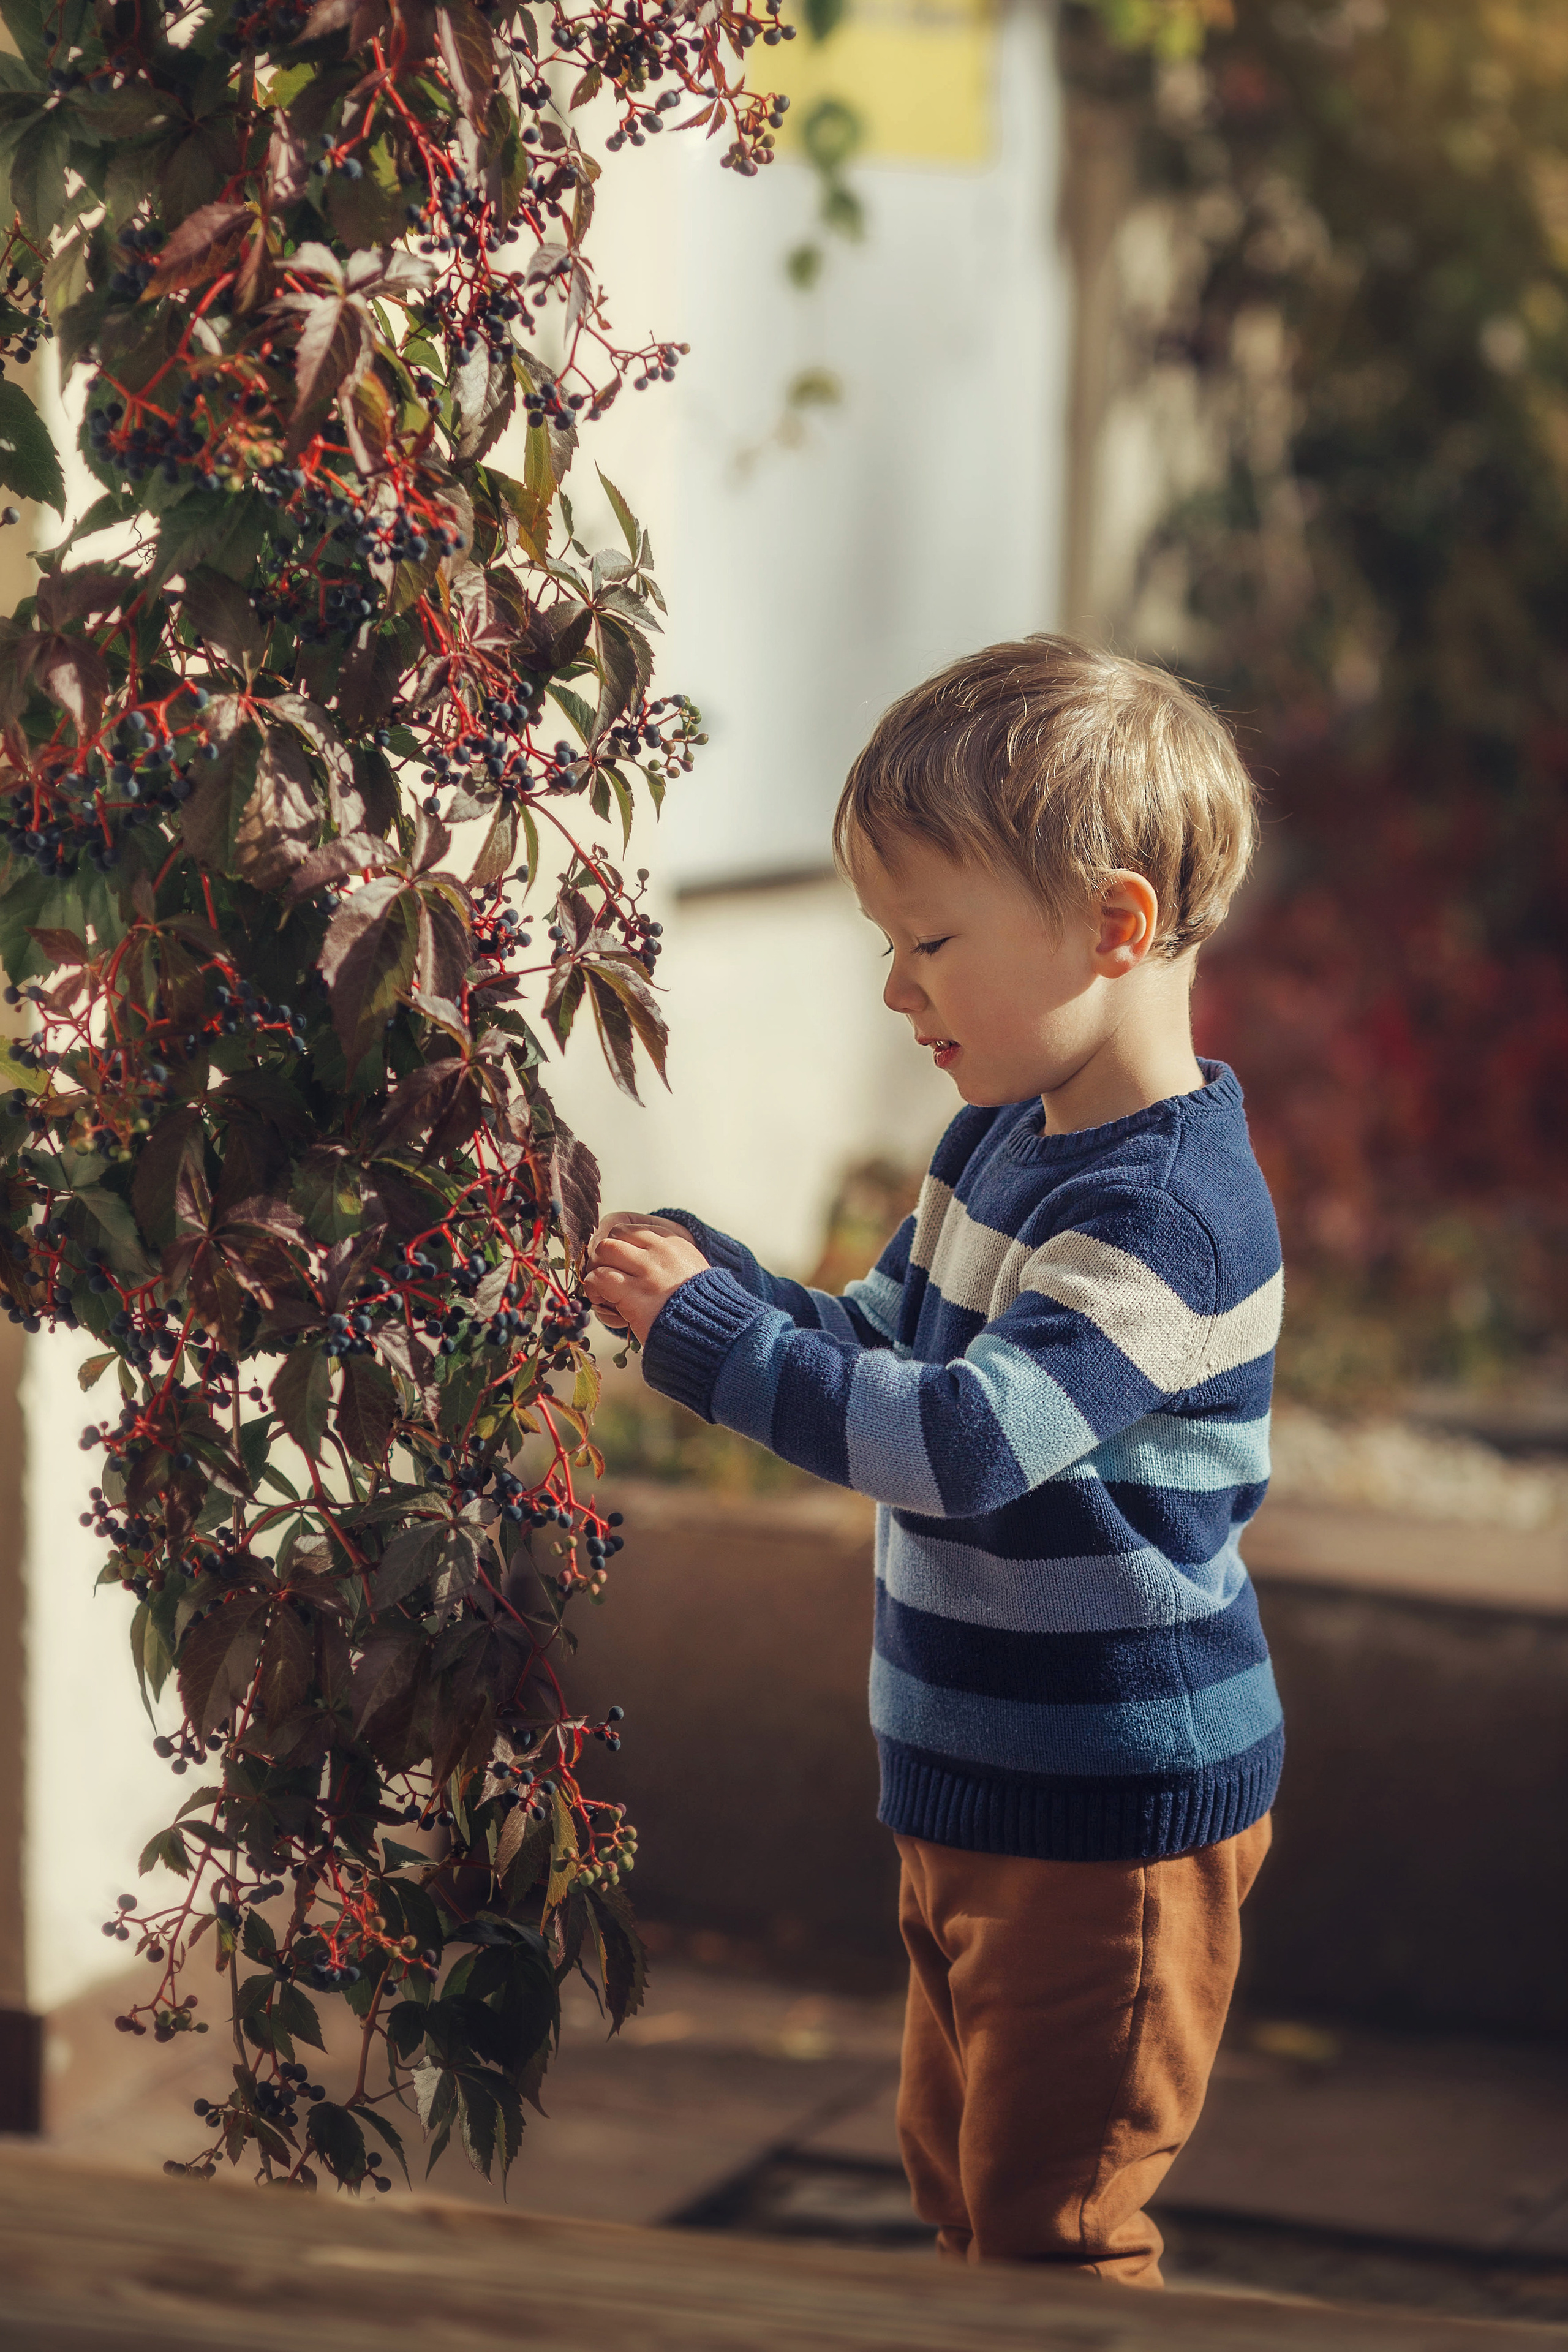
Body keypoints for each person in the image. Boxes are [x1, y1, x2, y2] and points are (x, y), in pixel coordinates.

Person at [584, 635, 1283, 2288]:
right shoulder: (998, 1140)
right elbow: (886, 1341)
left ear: (1113, 926)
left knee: (1059, 2225)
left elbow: (962, 1442)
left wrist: (711, 1347)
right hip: (975, 1783)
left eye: (929, 943)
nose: (896, 991)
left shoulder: (1165, 1217)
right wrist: (726, 1282)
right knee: (964, 2185)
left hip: (1106, 1814)